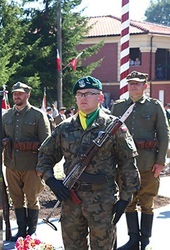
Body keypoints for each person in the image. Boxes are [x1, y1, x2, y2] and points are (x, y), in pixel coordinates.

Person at [36, 76, 140, 249]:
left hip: (102, 202)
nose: (83, 97)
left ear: (100, 97)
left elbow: (128, 164)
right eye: (79, 94)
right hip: (71, 200)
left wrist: (125, 198)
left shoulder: (113, 127)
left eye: (89, 93)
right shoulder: (64, 127)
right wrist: (51, 181)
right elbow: (44, 157)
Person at [112, 71, 169, 250]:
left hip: (148, 163)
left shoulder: (154, 106)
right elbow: (112, 136)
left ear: (145, 86)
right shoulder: (118, 107)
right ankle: (132, 239)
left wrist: (160, 162)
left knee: (147, 202)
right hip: (125, 164)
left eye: (137, 83)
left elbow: (163, 134)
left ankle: (145, 241)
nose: (133, 86)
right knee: (128, 201)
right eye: (131, 83)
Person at [2, 82, 51, 241]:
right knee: (16, 198)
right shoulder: (6, 116)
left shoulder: (37, 115)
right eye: (15, 93)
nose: (17, 96)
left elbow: (46, 143)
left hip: (32, 166)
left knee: (31, 198)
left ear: (27, 95)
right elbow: (1, 139)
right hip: (12, 165)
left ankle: (32, 231)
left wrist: (42, 167)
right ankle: (21, 231)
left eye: (20, 93)